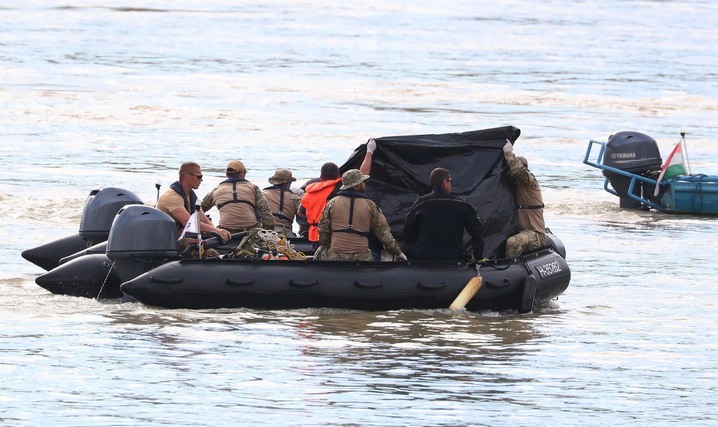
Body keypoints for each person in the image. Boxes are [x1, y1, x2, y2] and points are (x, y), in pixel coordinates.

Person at [315, 169, 406, 262]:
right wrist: (398, 253)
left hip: (335, 255)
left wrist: (332, 244)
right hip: (362, 257)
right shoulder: (370, 205)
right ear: (357, 185)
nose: (365, 184)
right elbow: (384, 234)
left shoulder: (331, 203)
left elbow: (323, 231)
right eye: (363, 181)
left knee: (320, 251)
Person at [300, 138, 377, 245]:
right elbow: (362, 175)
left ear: (321, 177)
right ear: (339, 176)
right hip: (336, 235)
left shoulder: (309, 191)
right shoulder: (340, 186)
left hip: (315, 236)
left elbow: (301, 213)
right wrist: (369, 152)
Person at [402, 167, 484, 261]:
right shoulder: (462, 205)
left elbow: (407, 235)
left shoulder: (420, 204)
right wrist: (478, 257)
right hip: (453, 260)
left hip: (424, 259)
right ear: (445, 182)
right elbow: (478, 233)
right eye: (450, 181)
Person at [156, 161, 231, 241]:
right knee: (204, 250)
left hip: (179, 236)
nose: (201, 180)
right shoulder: (172, 197)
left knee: (210, 247)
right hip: (166, 239)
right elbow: (189, 223)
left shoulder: (190, 195)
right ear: (188, 176)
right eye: (199, 177)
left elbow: (204, 220)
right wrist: (216, 230)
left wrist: (217, 232)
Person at [200, 160, 274, 233]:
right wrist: (268, 233)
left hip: (226, 230)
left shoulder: (216, 190)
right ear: (242, 174)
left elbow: (199, 209)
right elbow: (265, 211)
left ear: (227, 174)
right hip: (250, 230)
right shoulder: (253, 188)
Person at [502, 141, 546, 258]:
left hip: (535, 235)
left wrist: (509, 154)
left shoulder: (530, 182)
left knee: (513, 242)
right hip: (523, 232)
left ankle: (511, 268)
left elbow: (519, 171)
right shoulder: (516, 187)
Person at [262, 168, 305, 237]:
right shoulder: (295, 198)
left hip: (266, 232)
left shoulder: (263, 194)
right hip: (286, 232)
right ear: (288, 183)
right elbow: (302, 215)